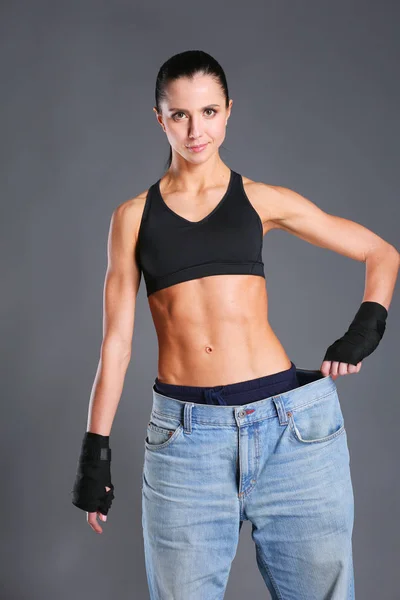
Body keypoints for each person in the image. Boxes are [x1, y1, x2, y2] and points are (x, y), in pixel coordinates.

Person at [71, 50, 399, 599]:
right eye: (179, 115)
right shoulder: (133, 217)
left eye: (208, 112)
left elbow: (381, 253)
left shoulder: (261, 199)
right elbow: (118, 342)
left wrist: (367, 325)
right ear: (159, 118)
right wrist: (94, 450)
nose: (196, 129)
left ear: (228, 113)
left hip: (291, 433)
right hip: (186, 441)